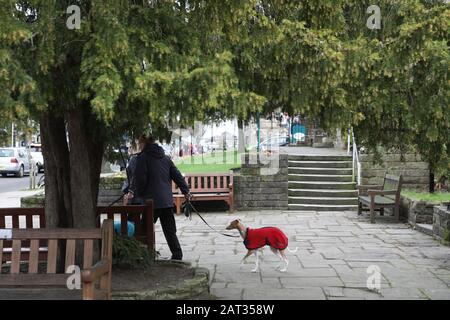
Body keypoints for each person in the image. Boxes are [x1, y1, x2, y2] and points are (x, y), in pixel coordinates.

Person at [127, 135, 191, 260]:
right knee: (169, 230)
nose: (139, 146)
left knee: (145, 230)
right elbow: (177, 175)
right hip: (166, 201)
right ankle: (177, 254)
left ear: (144, 143)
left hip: (151, 201)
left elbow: (140, 178)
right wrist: (186, 191)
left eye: (139, 143)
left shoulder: (142, 158)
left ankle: (146, 255)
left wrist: (135, 192)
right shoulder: (165, 158)